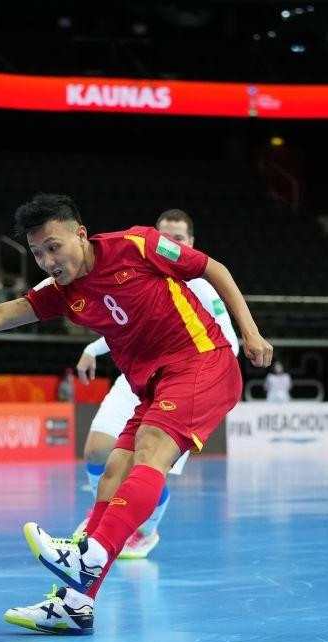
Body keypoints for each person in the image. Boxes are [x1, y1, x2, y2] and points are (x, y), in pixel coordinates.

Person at [0, 193, 272, 636]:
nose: (48, 259)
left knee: (149, 451)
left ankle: (91, 553)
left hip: (201, 360)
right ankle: (77, 603)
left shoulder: (138, 245)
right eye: (37, 253)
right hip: (151, 383)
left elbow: (213, 269)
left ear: (80, 235)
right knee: (113, 473)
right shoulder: (62, 293)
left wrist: (251, 332)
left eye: (54, 246)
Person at [72, 209, 240, 561]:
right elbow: (119, 324)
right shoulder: (139, 268)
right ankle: (100, 520)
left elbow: (229, 342)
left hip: (183, 376)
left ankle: (145, 531)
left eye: (178, 238)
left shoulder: (200, 285)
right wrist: (92, 348)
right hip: (135, 374)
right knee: (95, 451)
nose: (170, 243)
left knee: (147, 465)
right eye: (165, 236)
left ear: (190, 243)